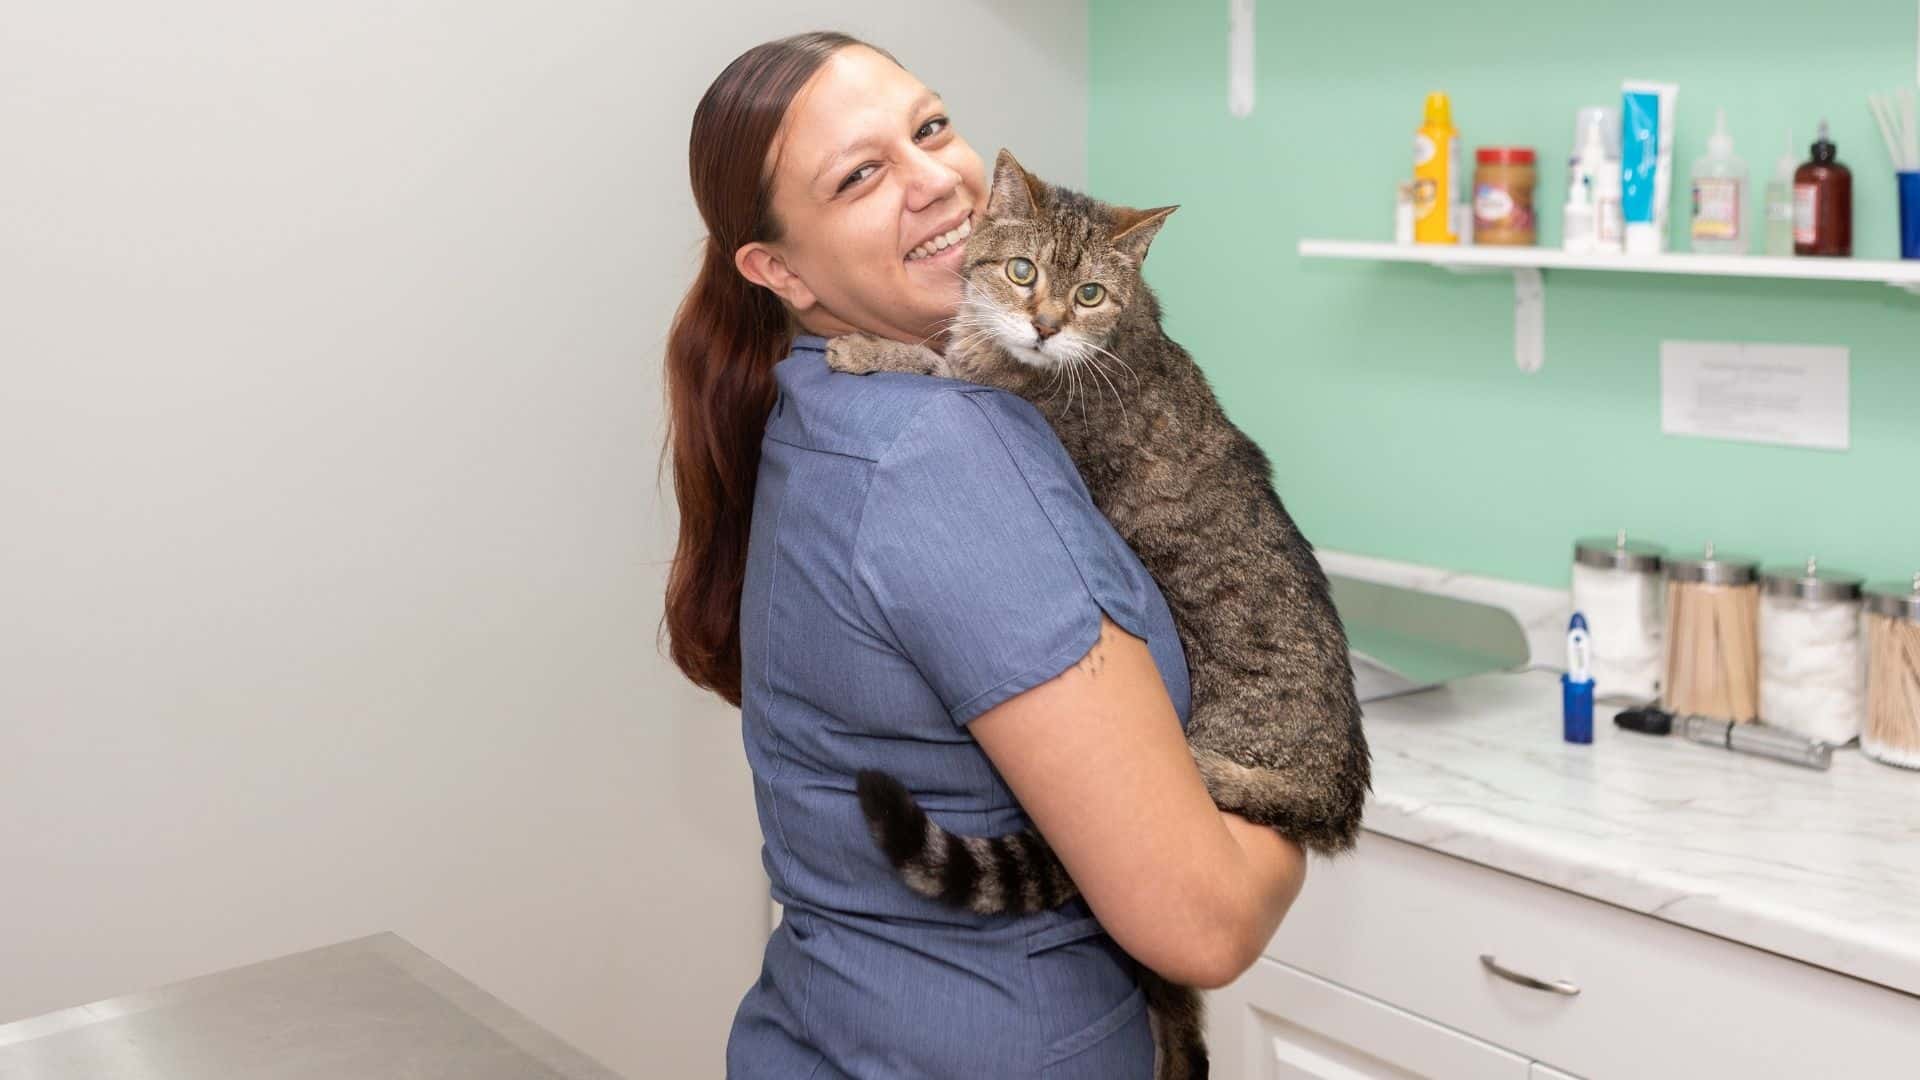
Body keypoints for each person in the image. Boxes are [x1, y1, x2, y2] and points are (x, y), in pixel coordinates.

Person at [663, 31, 1308, 1079]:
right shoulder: (948, 450)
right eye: (862, 174)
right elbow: (1206, 927)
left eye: (930, 128)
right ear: (776, 268)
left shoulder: (830, 400)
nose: (935, 182)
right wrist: (1297, 811)